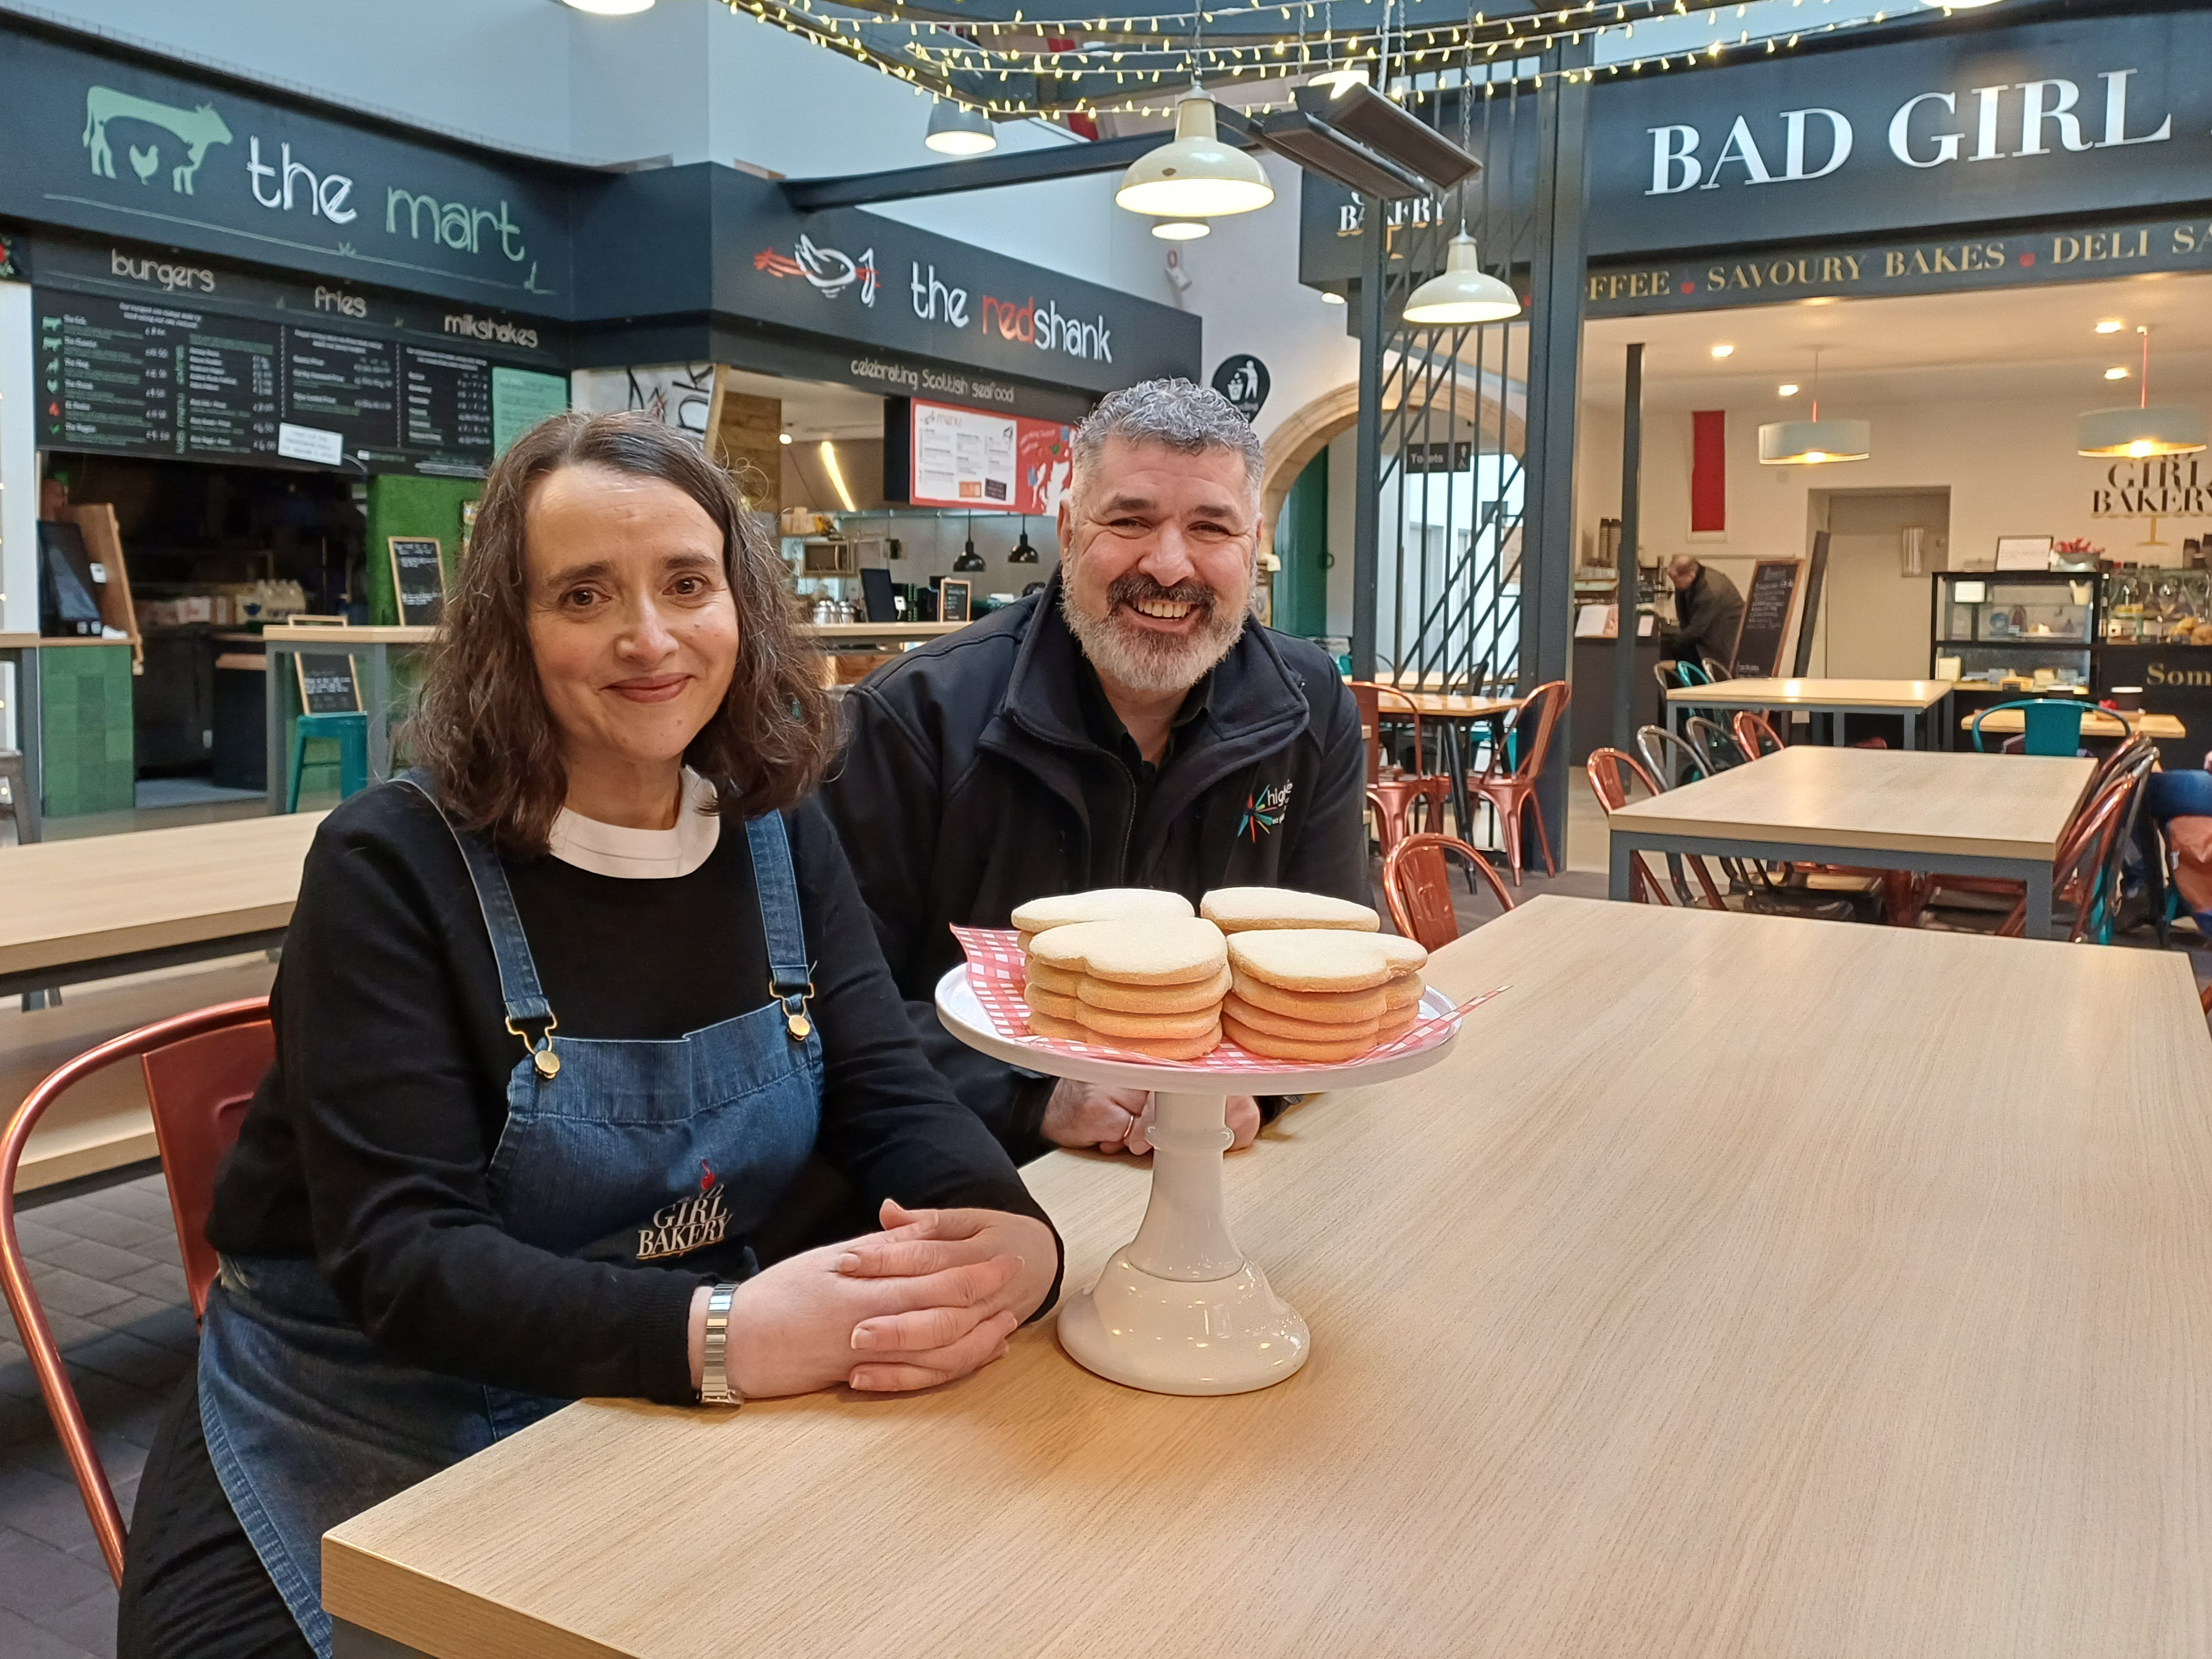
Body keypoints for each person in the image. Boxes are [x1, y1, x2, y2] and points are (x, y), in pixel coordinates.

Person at [118, 413, 1061, 1658]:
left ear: (740, 601)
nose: (650, 637)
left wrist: (1007, 1235)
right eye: (583, 594)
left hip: (634, 1390)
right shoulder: (389, 866)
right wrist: (726, 1335)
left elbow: (881, 1085)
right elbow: (400, 1257)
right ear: (510, 630)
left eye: (686, 582)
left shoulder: (775, 830)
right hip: (362, 1402)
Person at [821, 380, 1368, 1165]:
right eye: (1130, 520)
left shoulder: (1309, 706)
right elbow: (834, 1008)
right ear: (1069, 529)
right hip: (981, 1169)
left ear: (1252, 547)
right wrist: (1030, 1095)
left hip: (1231, 1168)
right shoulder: (915, 718)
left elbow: (1330, 963)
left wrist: (1263, 1085)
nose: (1169, 565)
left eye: (1210, 528)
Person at [1659, 555, 1744, 671]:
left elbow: (1697, 629)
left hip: (1720, 640)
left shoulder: (1710, 592)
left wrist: (1670, 644)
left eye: (1676, 580)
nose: (1675, 584)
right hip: (1705, 636)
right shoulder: (1690, 579)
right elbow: (1684, 615)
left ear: (1691, 575)